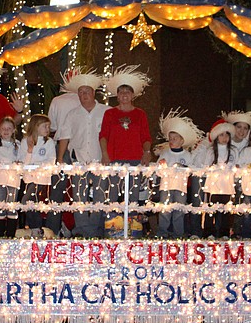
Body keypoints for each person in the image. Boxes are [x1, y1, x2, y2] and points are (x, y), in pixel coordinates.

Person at [56, 70, 109, 238]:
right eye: (80, 92)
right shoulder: (72, 114)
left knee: (100, 197)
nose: (83, 95)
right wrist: (59, 159)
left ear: (93, 93)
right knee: (79, 197)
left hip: (101, 161)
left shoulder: (107, 112)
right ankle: (82, 229)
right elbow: (64, 137)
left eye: (87, 91)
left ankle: (95, 230)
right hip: (79, 161)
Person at [99, 66, 152, 231]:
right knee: (113, 192)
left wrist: (146, 152)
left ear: (133, 95)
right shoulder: (110, 114)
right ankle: (114, 227)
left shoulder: (140, 114)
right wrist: (105, 154)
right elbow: (103, 136)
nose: (124, 95)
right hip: (114, 157)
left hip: (135, 158)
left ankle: (133, 227)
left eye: (127, 92)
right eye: (121, 92)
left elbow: (146, 137)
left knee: (133, 193)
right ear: (117, 95)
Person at [45, 69, 87, 236]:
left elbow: (52, 127)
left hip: (60, 148)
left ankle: (52, 229)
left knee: (57, 190)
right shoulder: (86, 99)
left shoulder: (57, 101)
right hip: (80, 149)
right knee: (80, 191)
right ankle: (79, 228)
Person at [155, 111, 203, 238]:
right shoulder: (165, 153)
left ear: (182, 140)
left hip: (180, 187)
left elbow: (191, 170)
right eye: (170, 138)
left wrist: (182, 168)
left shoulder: (187, 155)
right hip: (166, 186)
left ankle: (178, 234)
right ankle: (163, 233)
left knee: (179, 211)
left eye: (175, 138)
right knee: (165, 210)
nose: (172, 141)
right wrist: (161, 165)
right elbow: (158, 170)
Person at [199, 122, 236, 238]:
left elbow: (236, 165)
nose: (224, 138)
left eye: (227, 135)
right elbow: (206, 165)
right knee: (211, 210)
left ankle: (224, 232)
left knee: (225, 210)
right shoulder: (210, 151)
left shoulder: (233, 151)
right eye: (221, 135)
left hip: (227, 186)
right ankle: (209, 231)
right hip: (212, 186)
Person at [19, 114, 56, 230]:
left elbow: (51, 160)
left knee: (26, 201)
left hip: (41, 177)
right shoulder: (25, 141)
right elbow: (23, 162)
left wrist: (38, 167)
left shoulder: (49, 142)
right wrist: (29, 151)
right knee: (31, 202)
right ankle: (34, 228)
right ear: (36, 126)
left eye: (48, 127)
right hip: (28, 177)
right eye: (44, 126)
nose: (47, 129)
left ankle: (37, 228)